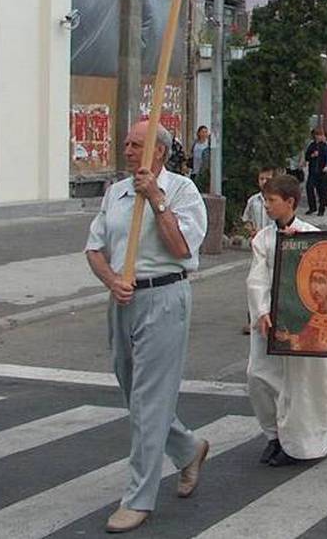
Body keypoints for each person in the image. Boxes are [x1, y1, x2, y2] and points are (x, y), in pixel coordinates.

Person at [85, 120, 209, 533]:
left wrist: (156, 198)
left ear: (159, 151)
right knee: (132, 390)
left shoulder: (182, 191)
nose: (128, 150)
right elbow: (94, 248)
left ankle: (138, 498)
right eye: (126, 143)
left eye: (137, 144)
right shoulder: (116, 193)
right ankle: (188, 448)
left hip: (165, 296)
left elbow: (182, 248)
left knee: (150, 400)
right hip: (123, 299)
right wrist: (111, 280)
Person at [247, 174, 327, 468]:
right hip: (272, 322)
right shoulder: (263, 239)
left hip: (302, 323)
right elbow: (257, 278)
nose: (266, 206)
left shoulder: (311, 236)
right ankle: (274, 435)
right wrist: (261, 311)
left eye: (272, 200)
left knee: (302, 387)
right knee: (259, 377)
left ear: (290, 202)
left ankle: (300, 444)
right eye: (265, 200)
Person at [240, 166, 279, 336]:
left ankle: (271, 316)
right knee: (255, 281)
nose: (264, 182)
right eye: (261, 179)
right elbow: (246, 219)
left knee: (270, 281)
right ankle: (253, 319)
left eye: (267, 179)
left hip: (272, 244)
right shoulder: (253, 201)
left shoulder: (278, 200)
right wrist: (251, 230)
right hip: (257, 245)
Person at [304, 128, 327, 216]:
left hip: (322, 172)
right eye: (317, 135)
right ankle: (312, 207)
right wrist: (312, 155)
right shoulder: (312, 145)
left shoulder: (325, 146)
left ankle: (321, 209)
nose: (318, 137)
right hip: (313, 171)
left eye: (320, 135)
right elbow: (307, 157)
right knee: (309, 188)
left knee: (321, 191)